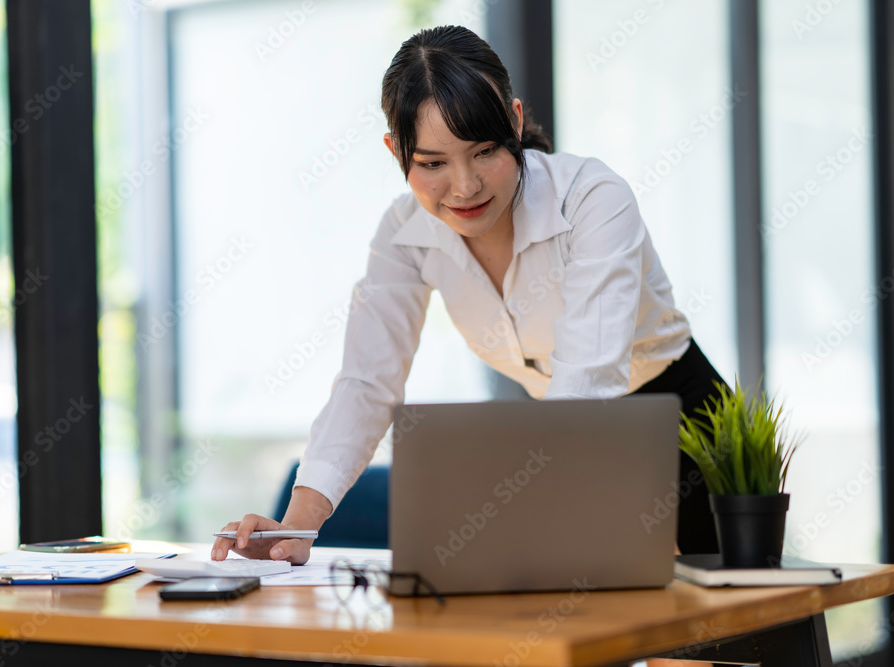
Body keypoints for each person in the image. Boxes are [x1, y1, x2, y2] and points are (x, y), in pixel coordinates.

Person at [214, 21, 727, 627]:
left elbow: (589, 375)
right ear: (394, 152)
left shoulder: (591, 197)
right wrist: (296, 527)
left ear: (513, 122)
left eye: (484, 151)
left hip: (683, 424)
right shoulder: (404, 235)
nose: (464, 187)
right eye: (431, 162)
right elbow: (366, 383)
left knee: (699, 642)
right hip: (574, 439)